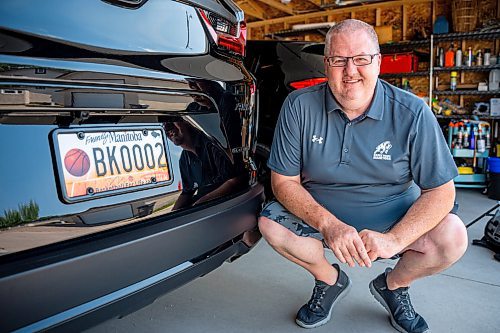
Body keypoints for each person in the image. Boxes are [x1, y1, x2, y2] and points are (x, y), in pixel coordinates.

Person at [258, 19, 468, 333]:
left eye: (361, 59)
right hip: (323, 217)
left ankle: (394, 286)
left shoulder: (412, 112)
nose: (350, 71)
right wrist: (329, 225)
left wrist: (396, 239)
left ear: (378, 62)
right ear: (326, 65)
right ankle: (329, 280)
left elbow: (441, 191)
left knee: (453, 238)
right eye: (338, 60)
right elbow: (284, 182)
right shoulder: (298, 106)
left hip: (394, 217)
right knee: (270, 224)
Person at [165, 118, 241, 210]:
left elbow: (235, 180)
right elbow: (187, 192)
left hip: (228, 204)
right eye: (165, 126)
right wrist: (173, 214)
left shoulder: (211, 143)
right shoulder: (184, 159)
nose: (167, 128)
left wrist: (199, 205)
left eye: (171, 123)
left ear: (185, 121)